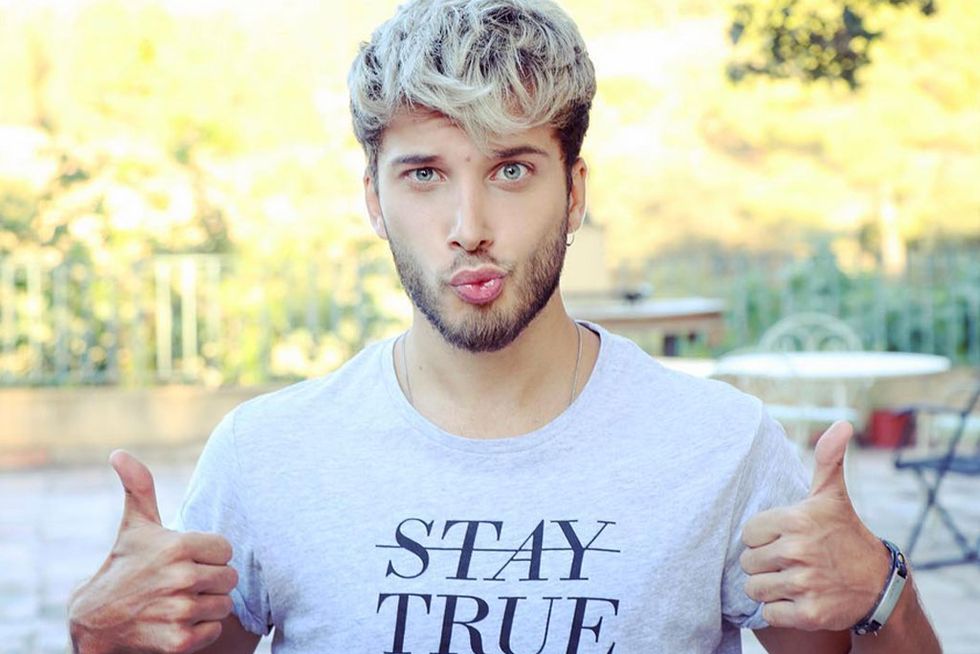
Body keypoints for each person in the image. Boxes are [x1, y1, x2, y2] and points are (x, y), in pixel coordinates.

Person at [67, 1, 941, 652]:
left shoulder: (721, 445)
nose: (467, 222)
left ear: (576, 191)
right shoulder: (265, 454)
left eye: (513, 169)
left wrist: (882, 595)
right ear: (374, 199)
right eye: (423, 175)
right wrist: (98, 637)